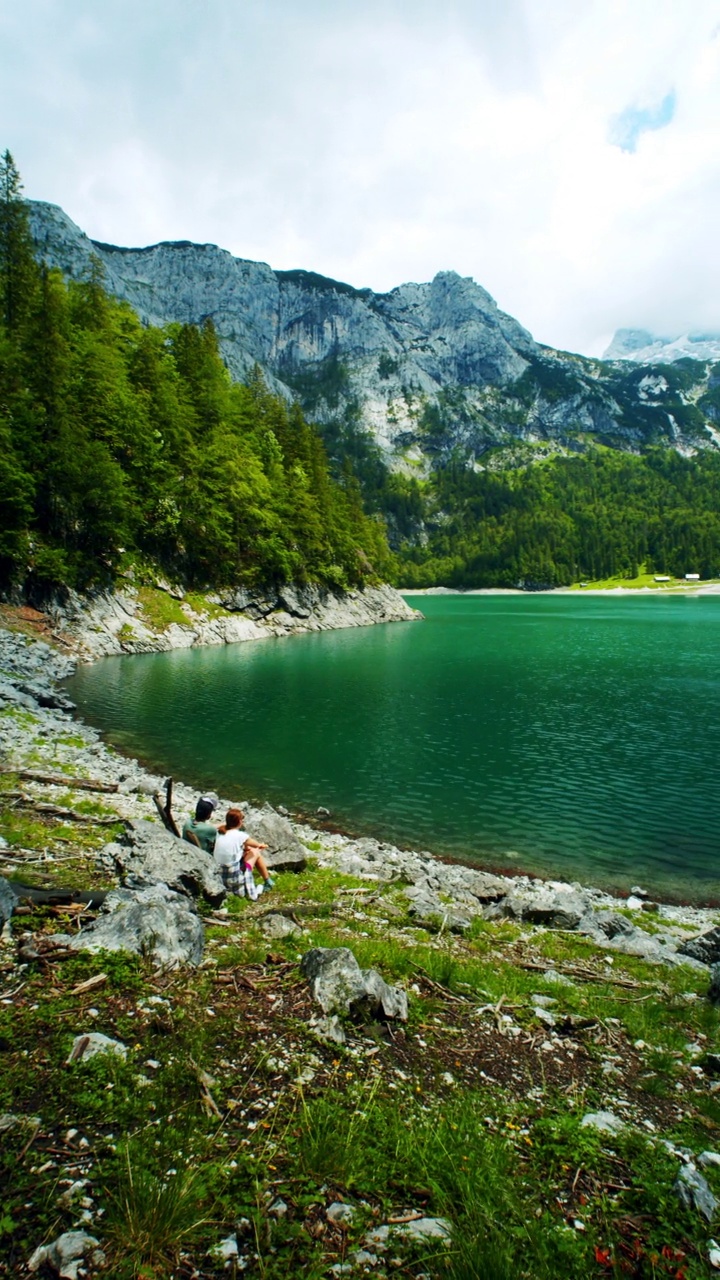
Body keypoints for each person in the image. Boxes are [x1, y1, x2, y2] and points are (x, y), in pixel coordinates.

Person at [214, 807, 275, 900]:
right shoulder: (240, 835)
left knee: (247, 851)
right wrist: (262, 845)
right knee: (255, 852)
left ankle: (268, 881)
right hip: (233, 875)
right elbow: (257, 845)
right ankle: (268, 881)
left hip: (219, 874)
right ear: (239, 822)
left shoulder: (219, 833)